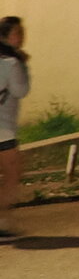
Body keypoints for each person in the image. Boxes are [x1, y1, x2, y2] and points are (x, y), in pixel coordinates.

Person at [0, 17, 28, 240]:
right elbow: (21, 91)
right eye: (17, 33)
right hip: (3, 129)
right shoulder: (12, 63)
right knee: (13, 174)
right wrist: (23, 65)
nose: (21, 37)